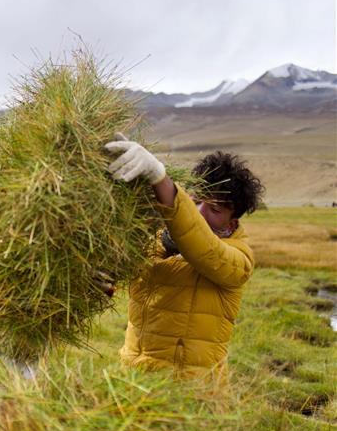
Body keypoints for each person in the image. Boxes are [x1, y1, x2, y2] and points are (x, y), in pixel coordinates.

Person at [104, 135, 264, 388]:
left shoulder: (238, 260)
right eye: (197, 199)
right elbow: (119, 280)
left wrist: (159, 177)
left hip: (190, 393)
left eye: (214, 209)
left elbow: (203, 247)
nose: (199, 211)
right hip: (133, 382)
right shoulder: (158, 240)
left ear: (231, 223)